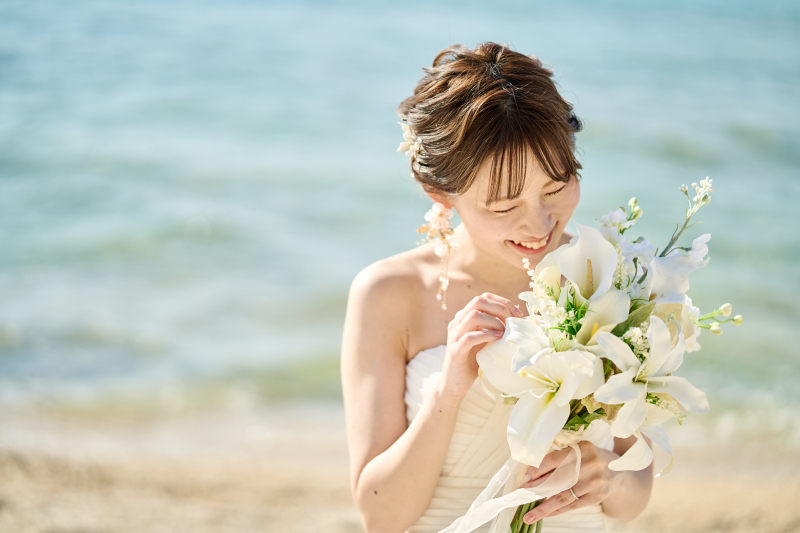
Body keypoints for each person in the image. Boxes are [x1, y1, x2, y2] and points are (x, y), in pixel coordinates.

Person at [341, 42, 653, 533]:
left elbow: (633, 499)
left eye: (557, 186)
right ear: (441, 193)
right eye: (505, 207)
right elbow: (380, 516)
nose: (540, 224)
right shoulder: (389, 294)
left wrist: (608, 478)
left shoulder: (609, 277)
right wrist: (448, 388)